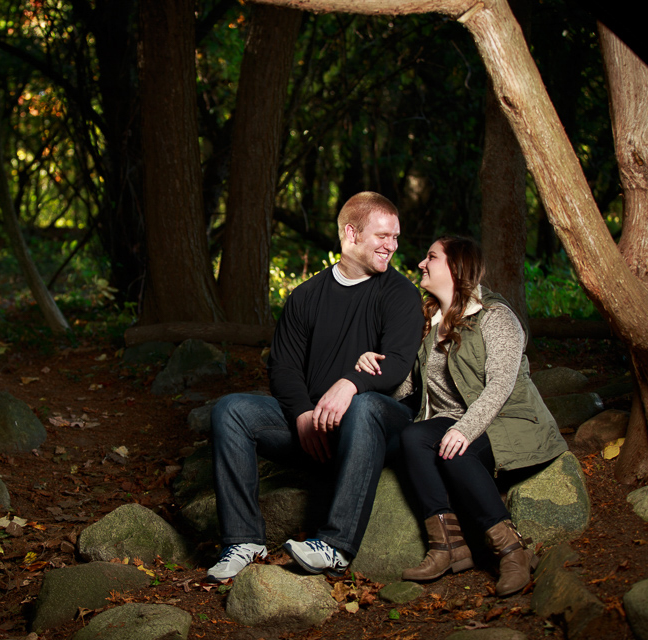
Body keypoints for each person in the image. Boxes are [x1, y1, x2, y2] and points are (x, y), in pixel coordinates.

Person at [206, 192, 424, 583]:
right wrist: (304, 416)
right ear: (351, 233)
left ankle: (336, 546)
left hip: (378, 427)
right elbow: (284, 368)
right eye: (382, 236)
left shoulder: (401, 295)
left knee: (365, 406)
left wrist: (350, 384)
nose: (392, 246)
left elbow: (396, 366)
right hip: (316, 431)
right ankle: (243, 540)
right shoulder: (306, 296)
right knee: (230, 410)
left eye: (396, 236)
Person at [356, 236, 568, 596]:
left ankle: (513, 551)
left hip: (506, 420)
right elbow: (407, 390)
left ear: (455, 268)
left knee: (454, 450)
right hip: (450, 421)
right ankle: (448, 545)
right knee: (412, 437)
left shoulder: (495, 316)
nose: (422, 264)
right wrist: (370, 371)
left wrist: (465, 430)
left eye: (431, 257)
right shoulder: (428, 322)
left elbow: (499, 386)